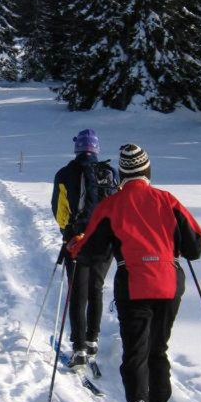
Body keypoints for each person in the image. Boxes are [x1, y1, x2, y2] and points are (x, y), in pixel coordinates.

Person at [67, 143, 201, 402]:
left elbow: (91, 252)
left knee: (135, 351)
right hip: (169, 282)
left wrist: (73, 246)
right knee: (159, 348)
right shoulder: (167, 200)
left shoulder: (112, 205)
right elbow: (195, 245)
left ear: (122, 173)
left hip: (134, 282)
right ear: (147, 170)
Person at [51, 129, 118, 370]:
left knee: (77, 292)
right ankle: (92, 340)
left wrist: (66, 232)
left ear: (77, 149)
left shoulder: (65, 173)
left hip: (77, 241)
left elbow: (59, 209)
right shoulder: (110, 173)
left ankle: (78, 347)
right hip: (105, 242)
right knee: (96, 289)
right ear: (96, 149)